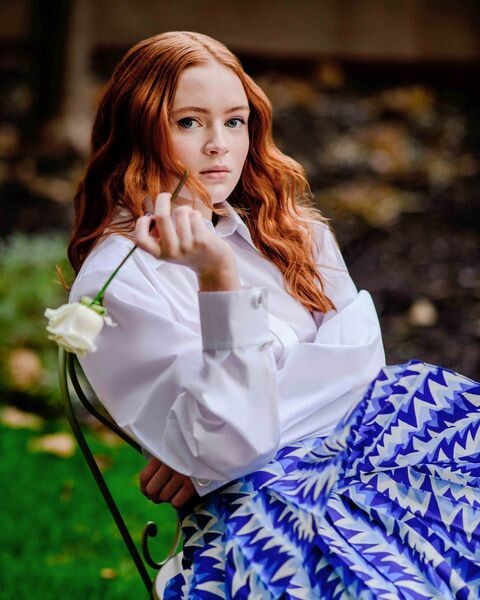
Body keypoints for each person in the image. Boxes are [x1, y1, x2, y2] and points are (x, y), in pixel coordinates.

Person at [68, 31, 480, 599]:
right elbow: (238, 446)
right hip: (269, 503)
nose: (219, 145)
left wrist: (209, 445)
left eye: (234, 121)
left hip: (388, 440)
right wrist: (218, 280)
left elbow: (362, 367)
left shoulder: (288, 228)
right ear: (138, 129)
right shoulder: (118, 279)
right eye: (189, 122)